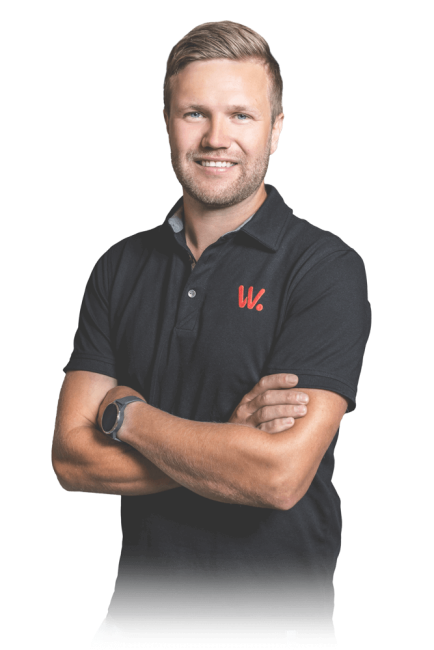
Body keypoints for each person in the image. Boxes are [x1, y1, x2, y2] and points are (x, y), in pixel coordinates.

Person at [51, 20, 371, 647]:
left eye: (241, 115)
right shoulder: (120, 267)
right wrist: (228, 445)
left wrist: (127, 416)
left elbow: (277, 478)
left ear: (276, 129)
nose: (216, 138)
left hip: (274, 629)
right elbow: (70, 457)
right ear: (167, 123)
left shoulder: (324, 268)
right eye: (194, 113)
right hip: (134, 628)